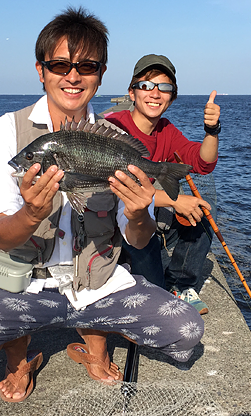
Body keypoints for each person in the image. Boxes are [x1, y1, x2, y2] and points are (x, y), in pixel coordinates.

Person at [0, 9, 204, 403]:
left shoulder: (114, 137)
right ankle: (22, 355)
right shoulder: (2, 132)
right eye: (60, 65)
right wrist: (30, 214)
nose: (73, 76)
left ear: (101, 74)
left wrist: (140, 214)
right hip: (24, 287)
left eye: (86, 66)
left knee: (186, 331)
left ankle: (92, 344)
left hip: (97, 285)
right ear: (41, 70)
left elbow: (136, 240)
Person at [105, 54, 220, 315]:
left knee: (202, 209)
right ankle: (126, 269)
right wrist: (174, 200)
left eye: (164, 87)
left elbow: (202, 163)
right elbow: (116, 189)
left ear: (172, 97)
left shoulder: (166, 130)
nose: (155, 93)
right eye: (146, 85)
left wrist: (211, 131)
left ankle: (179, 284)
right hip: (112, 223)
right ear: (132, 93)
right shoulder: (112, 126)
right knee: (151, 299)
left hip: (146, 217)